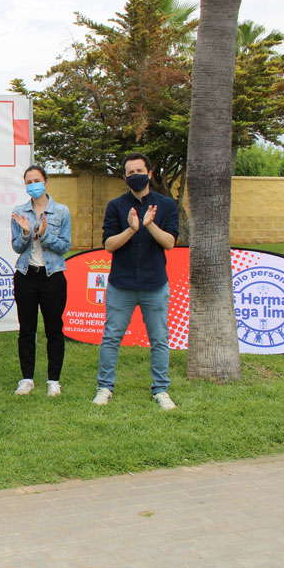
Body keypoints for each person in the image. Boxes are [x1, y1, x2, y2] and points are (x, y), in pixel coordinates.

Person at [94, 152, 179, 410]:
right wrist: (131, 229)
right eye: (130, 173)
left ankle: (161, 390)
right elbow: (109, 245)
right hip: (122, 285)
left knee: (160, 339)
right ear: (125, 177)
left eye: (139, 171)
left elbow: (170, 243)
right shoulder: (116, 206)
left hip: (155, 285)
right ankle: (105, 387)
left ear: (150, 173)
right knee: (111, 338)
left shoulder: (166, 205)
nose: (135, 176)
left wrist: (149, 225)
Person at [10, 165, 72, 397]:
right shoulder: (19, 211)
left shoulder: (61, 211)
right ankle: (26, 378)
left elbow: (65, 246)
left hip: (52, 276)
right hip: (26, 275)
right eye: (28, 181)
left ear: (46, 182)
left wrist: (43, 234)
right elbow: (16, 246)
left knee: (54, 329)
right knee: (26, 329)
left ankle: (53, 379)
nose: (33, 184)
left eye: (37, 180)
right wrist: (26, 233)